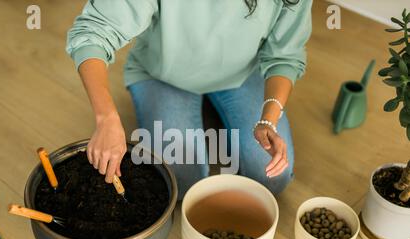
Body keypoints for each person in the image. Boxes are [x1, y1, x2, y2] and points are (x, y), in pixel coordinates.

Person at [66, 0, 312, 199]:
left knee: (272, 178)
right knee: (181, 181)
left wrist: (268, 119)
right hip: (164, 74)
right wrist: (106, 117)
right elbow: (93, 33)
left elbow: (285, 57)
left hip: (242, 73)